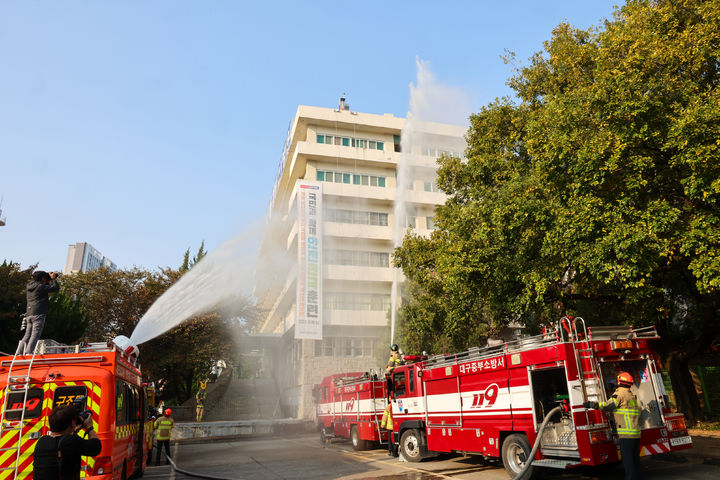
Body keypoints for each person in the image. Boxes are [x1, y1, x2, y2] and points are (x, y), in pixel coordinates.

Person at [584, 371, 642, 480]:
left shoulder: (620, 394)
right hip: (635, 434)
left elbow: (609, 405)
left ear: (620, 381)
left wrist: (593, 404)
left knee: (628, 462)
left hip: (626, 435)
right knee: (635, 461)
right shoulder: (631, 395)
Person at [33, 405, 102, 480]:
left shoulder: (42, 441)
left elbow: (61, 441)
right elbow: (96, 448)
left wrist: (73, 430)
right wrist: (89, 427)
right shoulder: (71, 441)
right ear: (72, 423)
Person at [16, 271, 59, 356]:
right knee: (35, 334)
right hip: (38, 313)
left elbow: (44, 287)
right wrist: (53, 278)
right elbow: (55, 288)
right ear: (43, 278)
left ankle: (19, 353)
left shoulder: (30, 286)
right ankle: (29, 353)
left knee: (27, 335)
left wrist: (47, 280)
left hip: (29, 314)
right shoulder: (40, 287)